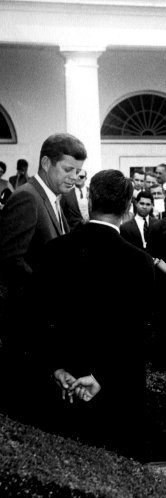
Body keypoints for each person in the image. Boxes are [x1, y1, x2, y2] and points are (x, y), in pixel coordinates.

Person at [28, 169, 155, 459]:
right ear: (127, 207)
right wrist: (101, 376)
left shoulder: (53, 250)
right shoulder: (138, 261)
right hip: (116, 393)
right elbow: (138, 332)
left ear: (90, 200)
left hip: (61, 387)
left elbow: (35, 319)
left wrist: (56, 367)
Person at [0, 133, 87, 411]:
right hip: (28, 330)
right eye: (68, 170)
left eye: (78, 171)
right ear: (46, 162)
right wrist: (48, 292)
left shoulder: (53, 198)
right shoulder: (27, 197)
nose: (74, 177)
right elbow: (9, 259)